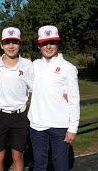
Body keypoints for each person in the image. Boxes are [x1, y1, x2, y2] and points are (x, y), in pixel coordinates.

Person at [28, 25, 80, 171]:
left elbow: (74, 99)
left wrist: (73, 128)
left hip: (60, 125)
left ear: (58, 43)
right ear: (39, 45)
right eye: (44, 43)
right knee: (39, 164)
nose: (48, 46)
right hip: (37, 125)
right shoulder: (34, 65)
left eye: (52, 42)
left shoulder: (68, 68)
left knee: (61, 164)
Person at [0, 27, 33, 171]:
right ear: (1, 45)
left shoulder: (28, 65)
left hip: (20, 116)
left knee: (18, 156)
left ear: (20, 44)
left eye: (14, 42)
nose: (11, 46)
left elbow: (35, 89)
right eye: (7, 42)